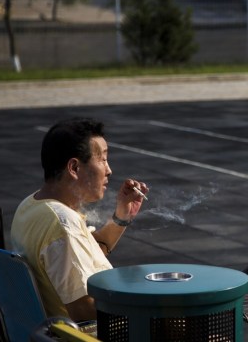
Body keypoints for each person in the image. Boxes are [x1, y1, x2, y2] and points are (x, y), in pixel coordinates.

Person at [11, 117, 149, 322]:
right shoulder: (62, 225)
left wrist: (122, 216)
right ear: (74, 168)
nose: (109, 170)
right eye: (102, 159)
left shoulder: (31, 206)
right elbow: (85, 313)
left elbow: (82, 258)